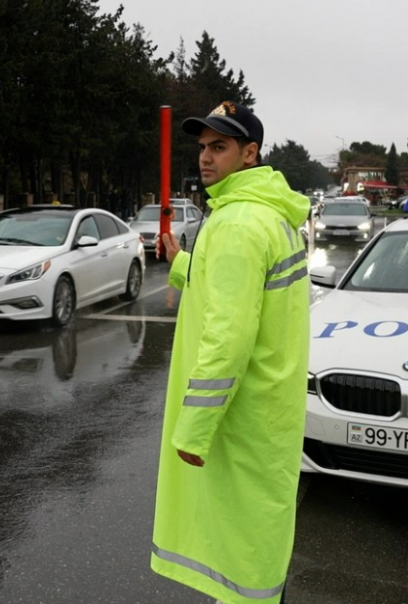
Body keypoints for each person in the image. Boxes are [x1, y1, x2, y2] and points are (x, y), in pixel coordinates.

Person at [150, 101, 311, 604]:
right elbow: (234, 294)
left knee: (240, 559)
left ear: (249, 153)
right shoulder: (264, 214)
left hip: (239, 422)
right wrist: (182, 263)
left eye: (219, 147)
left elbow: (230, 335)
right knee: (255, 543)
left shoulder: (237, 224)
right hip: (267, 413)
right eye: (202, 147)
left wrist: (195, 429)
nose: (205, 157)